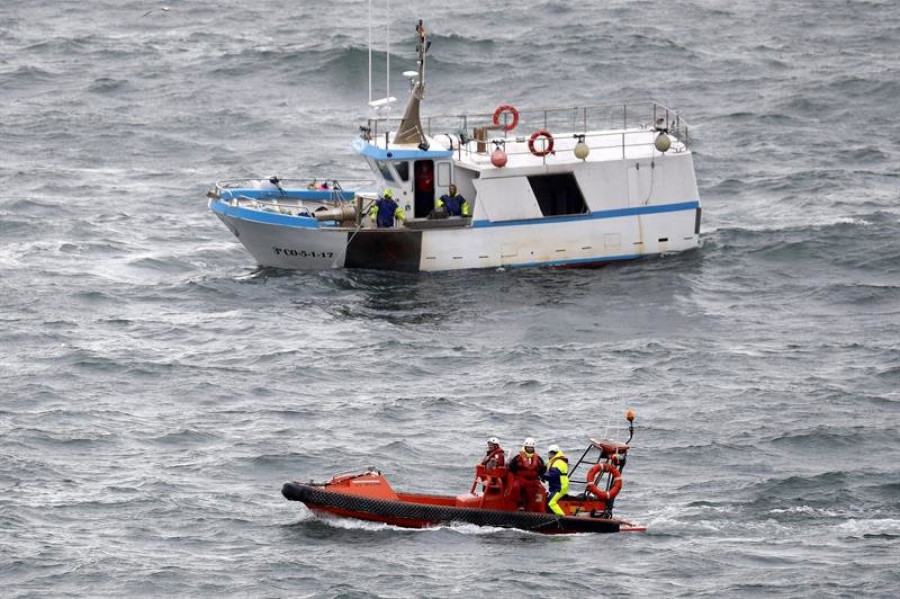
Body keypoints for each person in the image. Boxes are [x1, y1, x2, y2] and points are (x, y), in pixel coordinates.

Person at [507, 437, 546, 511]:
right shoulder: (518, 457)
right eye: (528, 447)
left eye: (531, 448)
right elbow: (512, 467)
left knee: (532, 494)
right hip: (521, 479)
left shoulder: (538, 459)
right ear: (525, 447)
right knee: (516, 487)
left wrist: (540, 476)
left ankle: (529, 509)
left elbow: (543, 469)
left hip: (533, 480)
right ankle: (519, 504)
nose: (530, 449)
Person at [544, 444, 569, 516]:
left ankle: (563, 518)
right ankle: (552, 516)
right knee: (548, 500)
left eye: (553, 453)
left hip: (560, 487)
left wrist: (542, 475)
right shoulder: (555, 460)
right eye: (551, 453)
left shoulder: (558, 462)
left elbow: (553, 475)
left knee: (551, 503)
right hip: (557, 486)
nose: (551, 454)